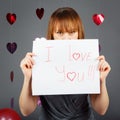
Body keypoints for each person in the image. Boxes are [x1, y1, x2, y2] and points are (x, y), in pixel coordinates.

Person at [19, 7, 111, 120]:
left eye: (72, 32)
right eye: (59, 33)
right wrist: (27, 78)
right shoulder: (40, 60)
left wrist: (102, 80)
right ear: (52, 35)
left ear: (79, 34)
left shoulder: (87, 59)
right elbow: (26, 111)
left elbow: (101, 110)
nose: (66, 38)